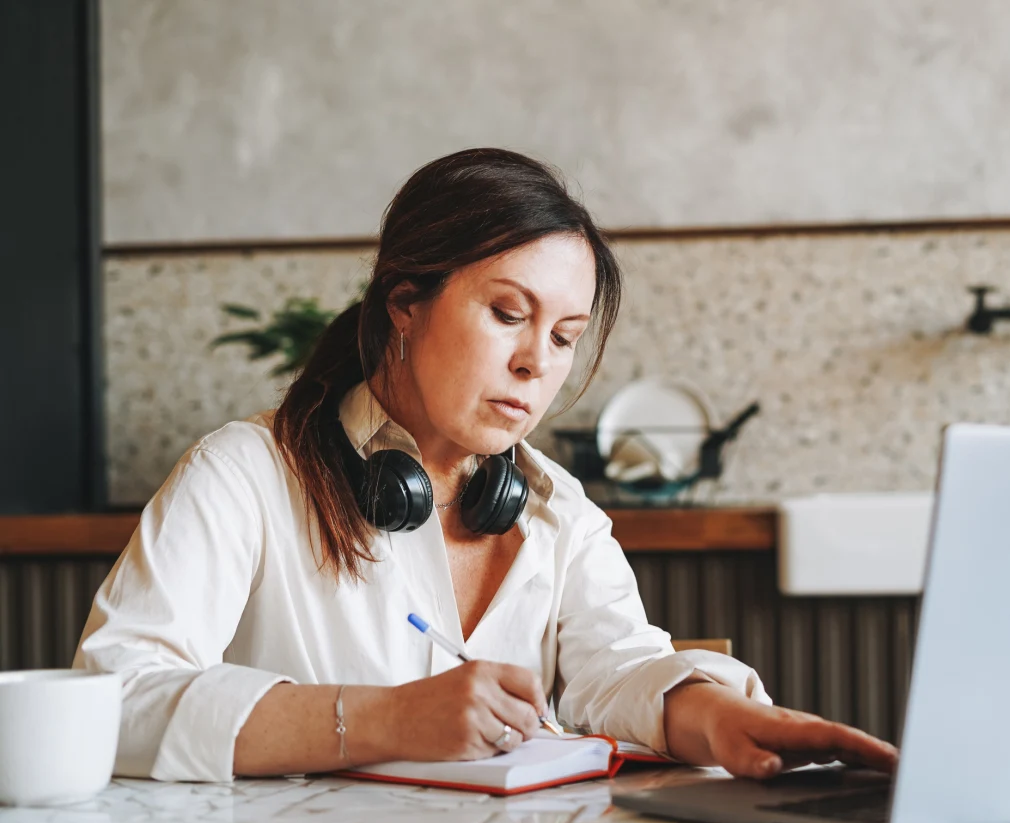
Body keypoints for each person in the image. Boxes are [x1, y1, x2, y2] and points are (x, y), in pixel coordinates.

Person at [74, 148, 898, 783]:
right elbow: (112, 700)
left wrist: (710, 713)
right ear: (405, 303)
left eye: (566, 336)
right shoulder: (244, 473)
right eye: (509, 314)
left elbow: (619, 668)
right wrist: (383, 719)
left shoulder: (555, 508)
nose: (538, 362)